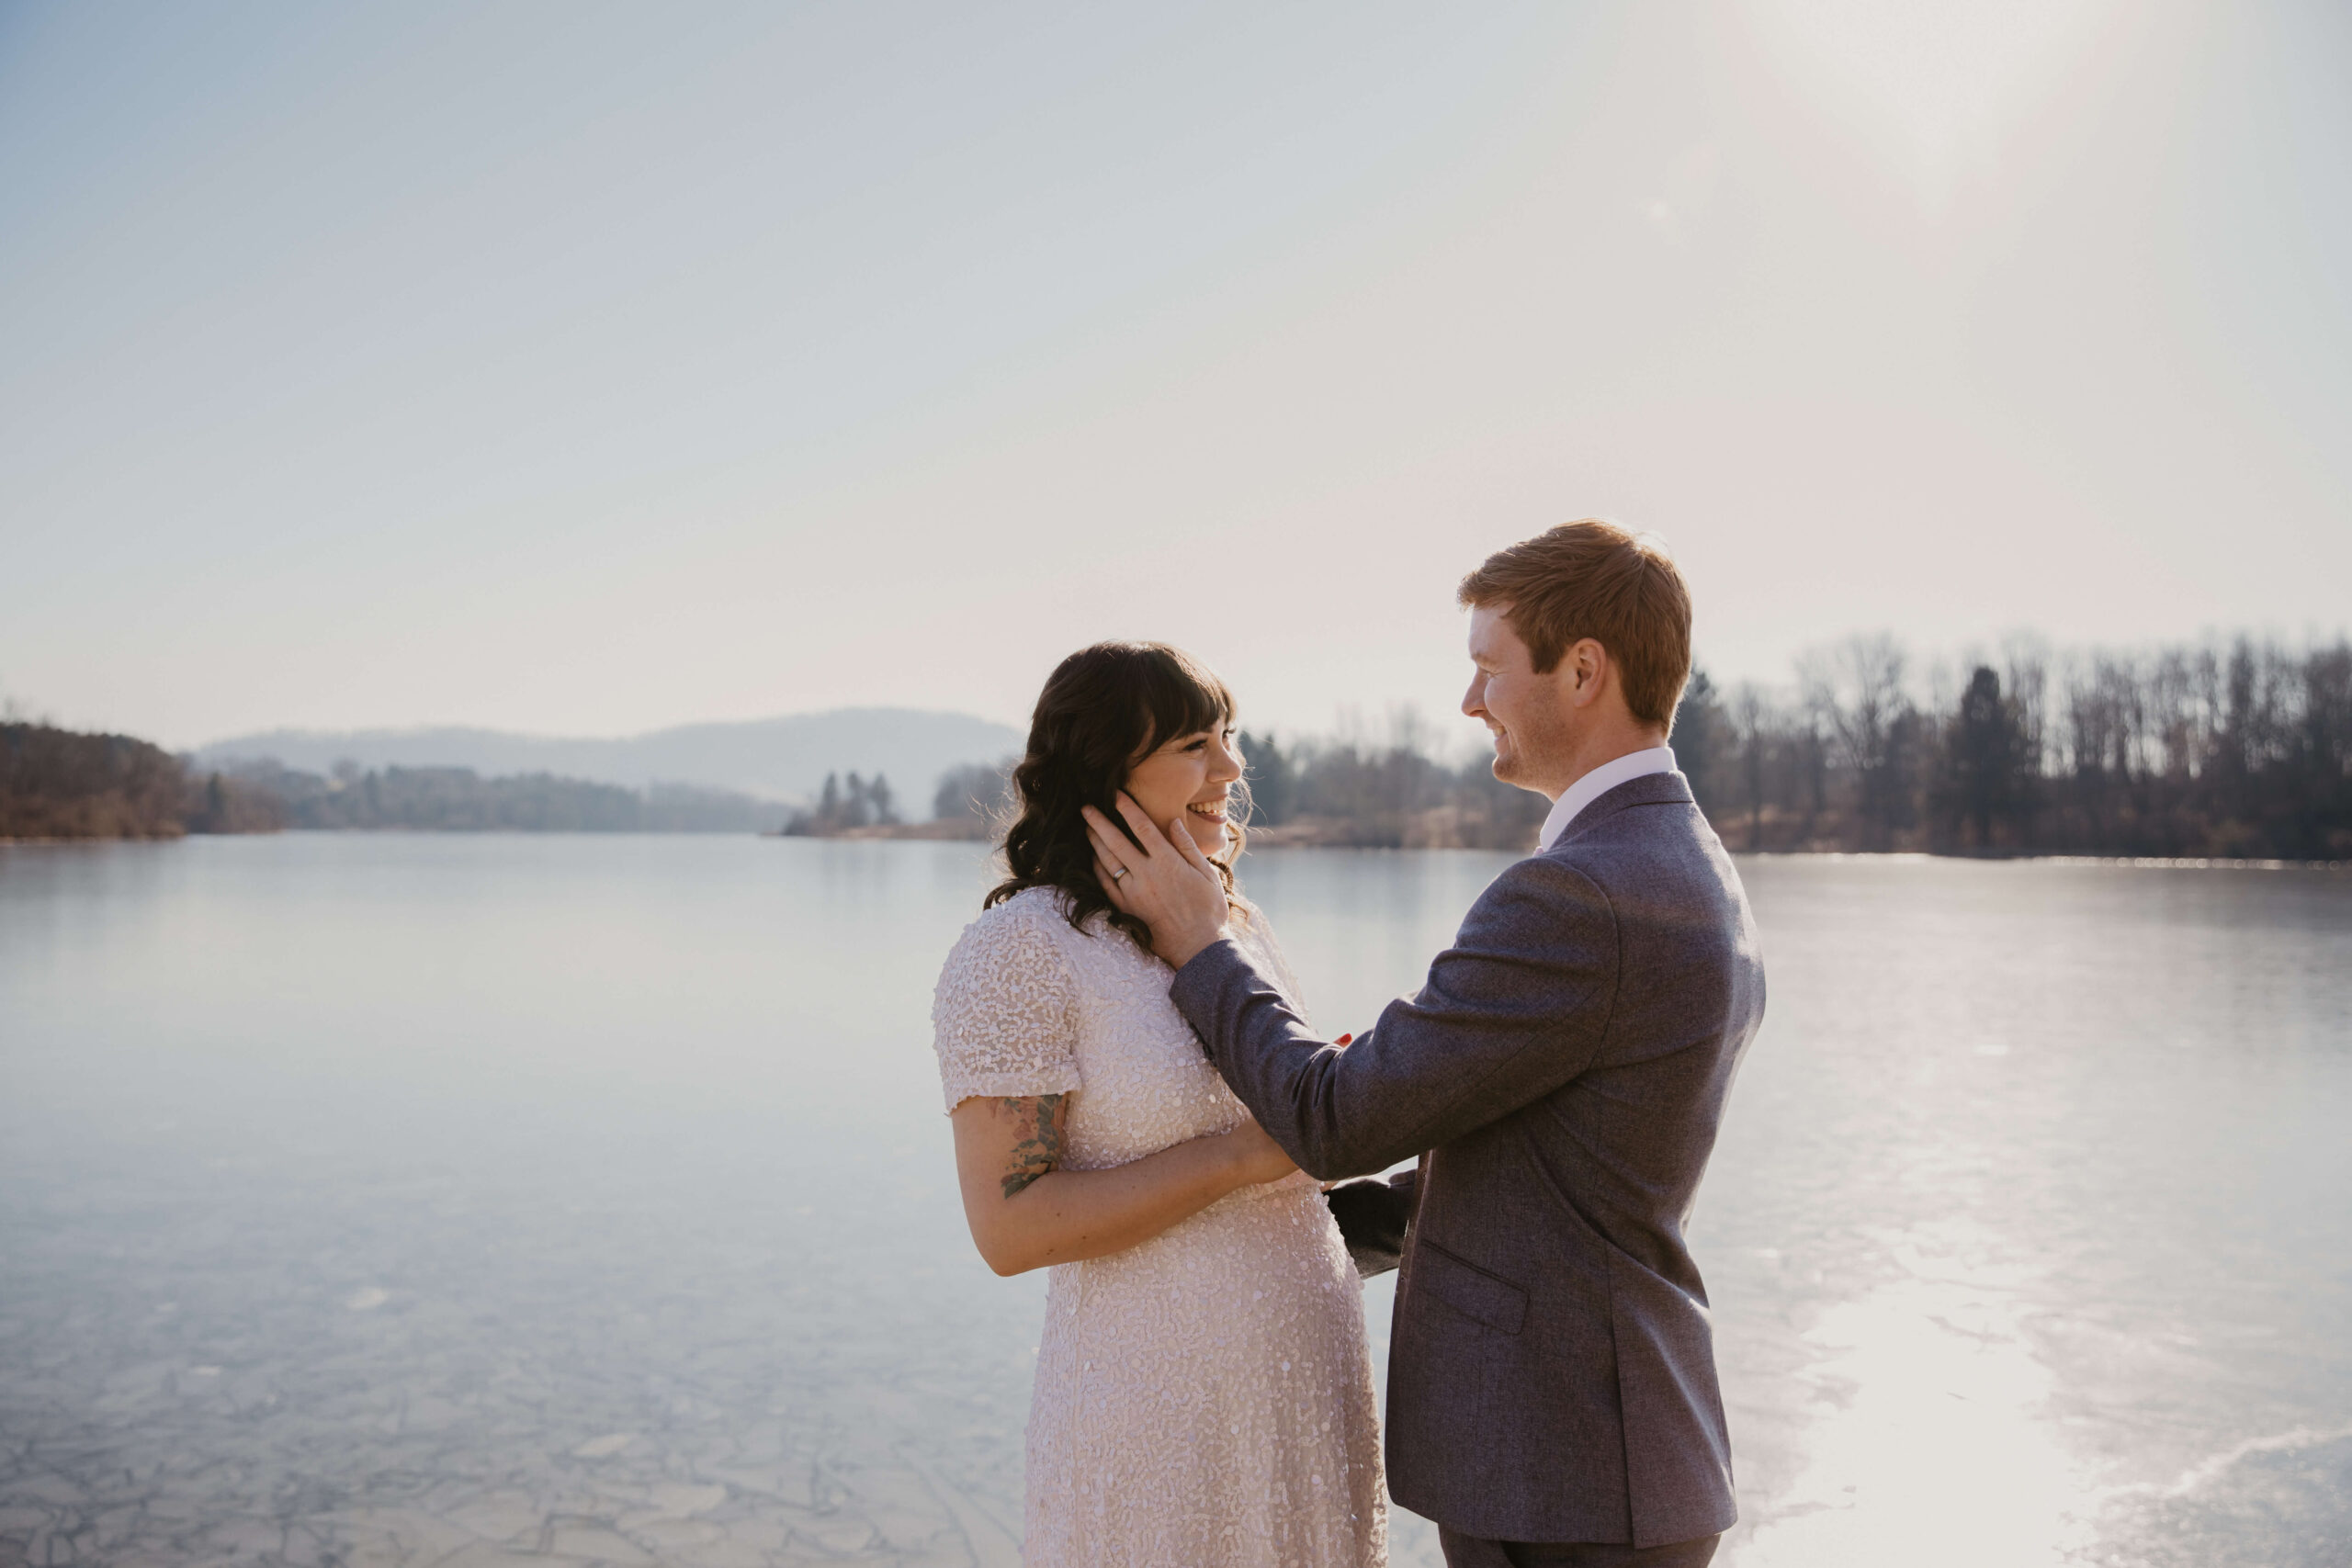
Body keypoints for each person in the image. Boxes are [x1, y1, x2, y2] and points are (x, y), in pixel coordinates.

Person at [1088, 520, 1766, 1568]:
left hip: (1564, 1476)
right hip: (1600, 1461)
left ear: (1582, 671)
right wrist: (1280, 1247)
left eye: (1489, 668)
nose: (1469, 702)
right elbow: (1557, 1163)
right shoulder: (1679, 861)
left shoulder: (1579, 892)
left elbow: (1335, 1116)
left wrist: (1198, 942)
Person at [930, 641, 1385, 1568]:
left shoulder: (1233, 930)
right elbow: (1010, 1232)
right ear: (1104, 769)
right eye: (1192, 745)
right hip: (1155, 1410)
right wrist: (1247, 1155)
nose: (1230, 769)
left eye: (1228, 740)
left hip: (1304, 1385)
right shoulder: (1019, 952)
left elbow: (1296, 1142)